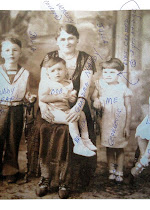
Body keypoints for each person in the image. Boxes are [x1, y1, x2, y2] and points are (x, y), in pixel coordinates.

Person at [35, 24, 97, 198]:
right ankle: (46, 177)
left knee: (73, 126)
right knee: (44, 128)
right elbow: (42, 85)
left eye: (71, 38)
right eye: (62, 38)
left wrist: (78, 106)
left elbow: (85, 86)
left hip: (76, 102)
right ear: (57, 41)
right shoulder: (50, 57)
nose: (67, 42)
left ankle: (66, 180)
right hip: (50, 104)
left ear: (77, 39)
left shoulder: (86, 59)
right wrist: (43, 105)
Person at [0, 37, 36, 183]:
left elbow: (27, 93)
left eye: (15, 50)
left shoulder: (25, 73)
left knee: (13, 140)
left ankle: (10, 171)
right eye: (7, 50)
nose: (11, 53)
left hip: (17, 109)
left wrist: (30, 97)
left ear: (20, 53)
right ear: (2, 53)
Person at [39, 57, 97, 157]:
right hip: (53, 111)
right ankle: (78, 145)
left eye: (60, 69)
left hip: (64, 109)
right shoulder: (48, 84)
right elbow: (43, 97)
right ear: (48, 74)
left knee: (82, 114)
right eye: (53, 71)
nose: (57, 73)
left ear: (66, 71)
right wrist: (58, 97)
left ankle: (85, 139)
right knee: (71, 119)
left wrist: (72, 98)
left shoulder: (68, 83)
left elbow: (71, 100)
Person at [92, 58, 132, 182]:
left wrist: (127, 126)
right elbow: (93, 96)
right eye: (105, 72)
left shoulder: (123, 87)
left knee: (119, 147)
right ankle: (111, 170)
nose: (107, 75)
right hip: (106, 120)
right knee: (109, 146)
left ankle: (119, 171)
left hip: (119, 121)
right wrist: (96, 100)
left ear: (119, 73)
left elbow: (128, 107)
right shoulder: (100, 84)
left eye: (111, 72)